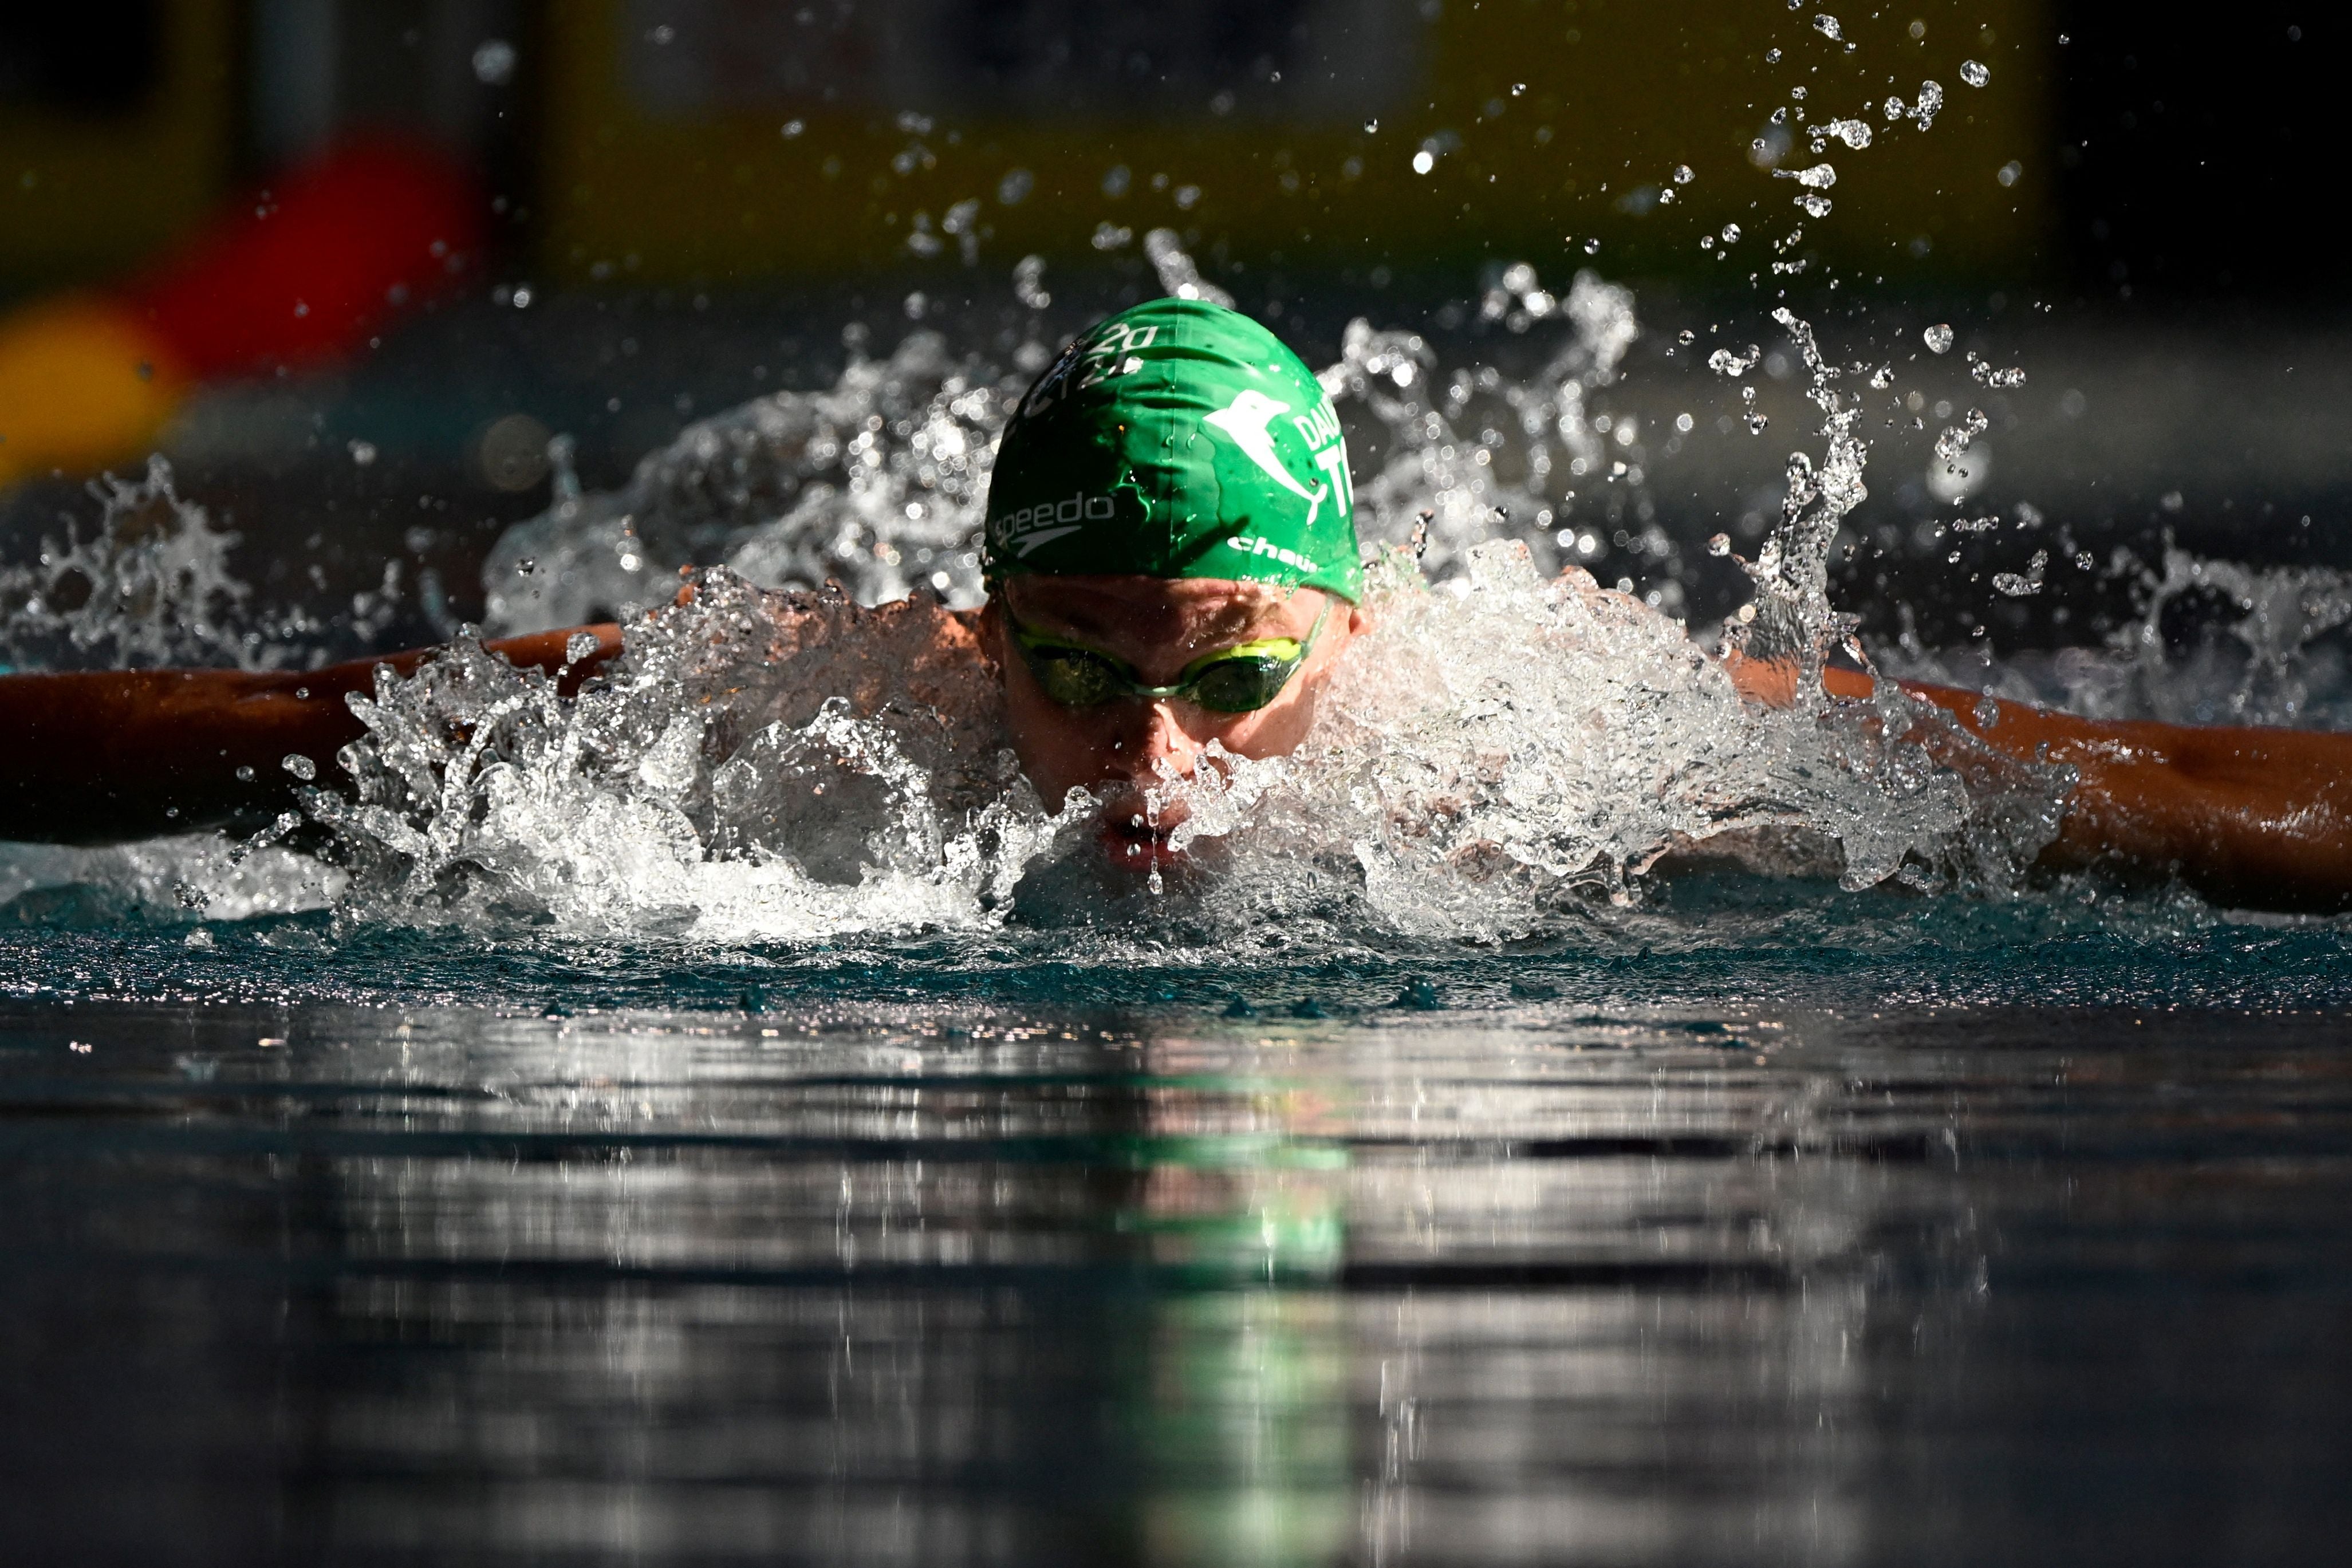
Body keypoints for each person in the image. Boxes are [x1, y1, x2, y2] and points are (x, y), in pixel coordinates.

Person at [4, 299, 2351, 910]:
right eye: (1073, 667)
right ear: (971, 623)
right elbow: (261, 725)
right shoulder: (765, 721)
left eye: (1231, 674)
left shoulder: (1540, 732)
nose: (1153, 765)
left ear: (1341, 623)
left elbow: (2106, 785)